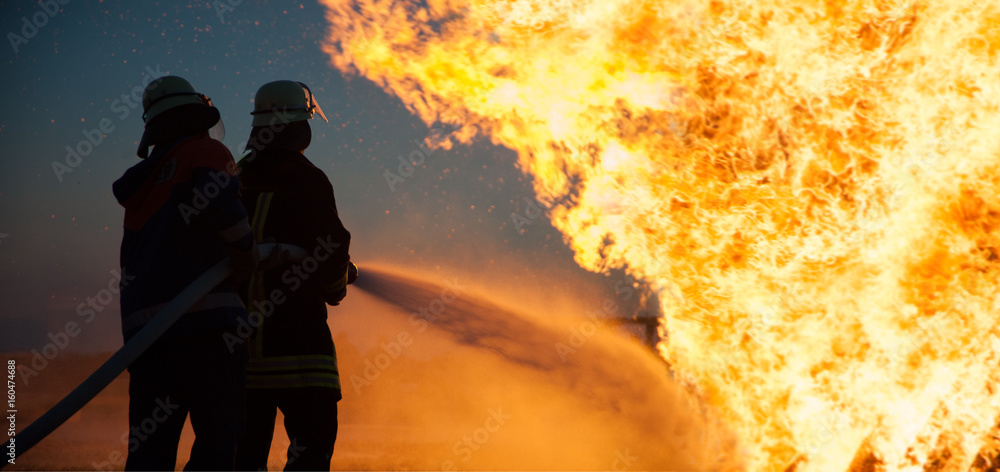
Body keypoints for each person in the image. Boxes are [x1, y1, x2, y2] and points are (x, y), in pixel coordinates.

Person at [112, 75, 258, 471]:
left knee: (149, 454)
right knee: (219, 440)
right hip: (207, 332)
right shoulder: (204, 152)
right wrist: (248, 256)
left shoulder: (144, 182)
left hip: (148, 340)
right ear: (196, 115)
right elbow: (227, 212)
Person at [233, 80, 355, 471]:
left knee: (241, 458)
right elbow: (332, 247)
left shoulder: (231, 179)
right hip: (300, 350)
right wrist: (336, 286)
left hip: (238, 355)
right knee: (311, 451)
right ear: (301, 126)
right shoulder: (306, 178)